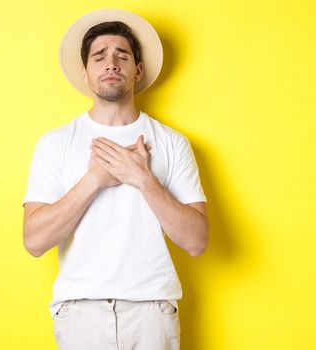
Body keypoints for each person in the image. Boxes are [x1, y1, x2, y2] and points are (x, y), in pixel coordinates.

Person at [22, 9, 208, 350]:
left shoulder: (171, 142)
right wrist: (94, 179)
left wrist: (142, 179)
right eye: (99, 57)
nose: (111, 63)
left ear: (137, 70)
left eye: (122, 56)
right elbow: (34, 241)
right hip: (80, 311)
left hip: (151, 309)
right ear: (86, 72)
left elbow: (196, 241)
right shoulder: (56, 142)